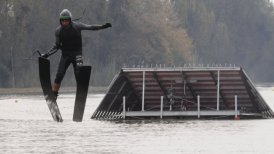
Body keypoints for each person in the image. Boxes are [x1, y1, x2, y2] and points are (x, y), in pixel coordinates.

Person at [42, 9, 111, 100]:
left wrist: (102, 26)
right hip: (65, 55)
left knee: (78, 74)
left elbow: (91, 27)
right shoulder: (58, 31)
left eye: (66, 20)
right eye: (63, 20)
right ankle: (54, 93)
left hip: (77, 54)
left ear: (70, 20)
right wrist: (47, 54)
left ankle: (80, 93)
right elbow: (56, 46)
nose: (65, 22)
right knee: (59, 75)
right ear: (60, 21)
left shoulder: (77, 26)